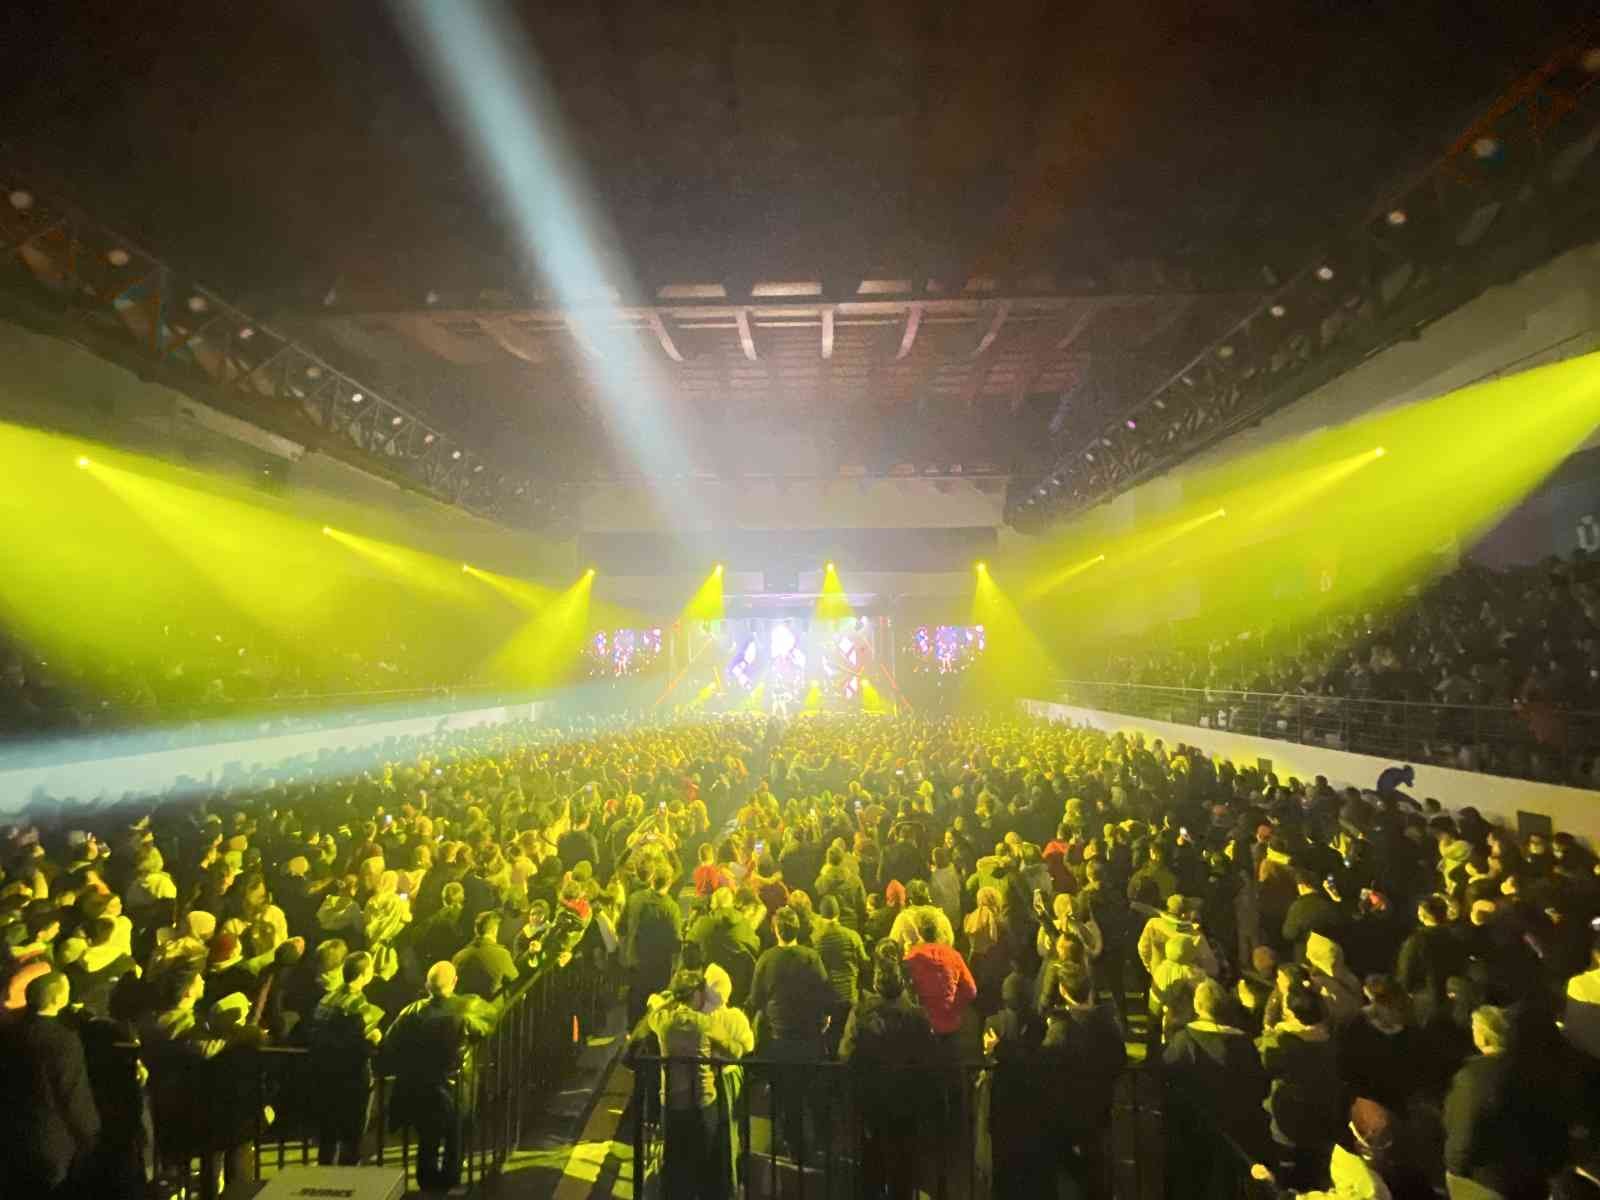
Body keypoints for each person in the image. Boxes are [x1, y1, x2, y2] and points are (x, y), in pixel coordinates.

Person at [382, 962, 494, 1194]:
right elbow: (486, 1025)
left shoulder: (411, 1011)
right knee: (456, 1133)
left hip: (421, 1083)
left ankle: (427, 1182)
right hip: (456, 1083)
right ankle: (450, 1179)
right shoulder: (468, 1007)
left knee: (427, 1135)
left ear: (427, 985)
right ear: (454, 982)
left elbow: (391, 1042)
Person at [839, 940, 935, 1200]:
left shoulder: (860, 1013)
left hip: (870, 1104)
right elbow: (928, 1061)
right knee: (902, 1173)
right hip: (905, 1106)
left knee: (870, 1170)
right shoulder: (917, 1017)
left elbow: (846, 1055)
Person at [1164, 978, 1271, 1200]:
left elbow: (1167, 1075)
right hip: (1234, 1126)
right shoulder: (1243, 1043)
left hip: (1195, 1126)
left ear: (1197, 1006)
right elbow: (1258, 1083)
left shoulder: (1184, 1040)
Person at [0, 972, 100, 1197]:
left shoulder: (10, 1033)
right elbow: (72, 1092)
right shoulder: (63, 1040)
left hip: (13, 1137)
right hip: (51, 1142)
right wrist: (90, 1135)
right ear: (57, 999)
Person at [746, 906, 832, 1160]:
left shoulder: (767, 959)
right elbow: (824, 990)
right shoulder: (811, 957)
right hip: (810, 1037)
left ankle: (794, 1148)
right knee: (814, 1094)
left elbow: (756, 998)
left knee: (788, 1097)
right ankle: (820, 1145)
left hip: (780, 1039)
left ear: (775, 930)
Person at [306, 950, 384, 1166]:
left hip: (325, 1073)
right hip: (352, 1076)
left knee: (328, 1132)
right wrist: (374, 1038)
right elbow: (358, 1043)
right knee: (353, 1132)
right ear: (364, 974)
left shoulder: (326, 998)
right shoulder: (357, 1004)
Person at [623, 864, 683, 1026]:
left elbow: (621, 927)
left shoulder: (635, 898)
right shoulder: (672, 908)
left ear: (651, 879)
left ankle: (631, 1035)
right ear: (669, 883)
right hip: (659, 964)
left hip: (635, 959)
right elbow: (676, 941)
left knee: (635, 1000)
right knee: (655, 1004)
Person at [689, 887, 760, 1007]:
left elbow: (688, 946)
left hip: (709, 987)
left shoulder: (702, 923)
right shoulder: (744, 924)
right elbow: (755, 947)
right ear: (731, 903)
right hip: (738, 988)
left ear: (712, 904)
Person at [450, 910, 519, 1000]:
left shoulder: (459, 956)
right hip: (490, 1011)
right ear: (495, 930)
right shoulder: (502, 954)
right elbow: (515, 981)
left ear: (476, 930)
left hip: (463, 1010)